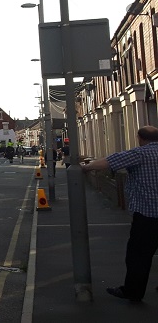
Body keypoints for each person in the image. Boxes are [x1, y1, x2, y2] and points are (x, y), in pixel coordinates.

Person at [82, 125, 158, 302]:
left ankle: (133, 292)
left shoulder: (140, 153)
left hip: (148, 216)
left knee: (138, 257)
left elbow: (108, 161)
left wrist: (86, 167)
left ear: (140, 138)